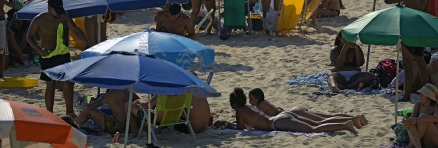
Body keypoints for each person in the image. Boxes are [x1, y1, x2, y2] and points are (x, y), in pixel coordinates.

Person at [26, 0, 90, 117]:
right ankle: (49, 113)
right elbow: (29, 36)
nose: (59, 13)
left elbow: (75, 29)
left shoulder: (64, 16)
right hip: (47, 55)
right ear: (49, 8)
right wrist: (39, 50)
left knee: (69, 82)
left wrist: (87, 43)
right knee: (50, 85)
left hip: (63, 53)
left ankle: (70, 112)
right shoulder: (39, 19)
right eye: (56, 10)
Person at [225, 87, 359, 134]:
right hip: (284, 114)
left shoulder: (240, 111)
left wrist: (225, 124)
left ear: (234, 104)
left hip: (277, 122)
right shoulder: (249, 107)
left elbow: (240, 128)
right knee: (318, 123)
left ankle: (344, 125)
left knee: (314, 129)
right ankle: (346, 122)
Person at [384, 0, 429, 102]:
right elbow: (426, 13)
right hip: (420, 30)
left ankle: (407, 95)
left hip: (409, 31)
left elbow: (388, 0)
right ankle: (426, 93)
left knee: (408, 65)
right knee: (421, 62)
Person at [248, 88, 367, 126]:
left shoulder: (262, 105)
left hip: (295, 113)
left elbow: (258, 120)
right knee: (327, 116)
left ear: (258, 98)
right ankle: (355, 118)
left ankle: (352, 120)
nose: (250, 101)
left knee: (323, 120)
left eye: (252, 99)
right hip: (295, 110)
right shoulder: (264, 103)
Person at [128, 91, 210, 135]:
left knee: (128, 105)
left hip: (160, 121)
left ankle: (135, 133)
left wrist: (139, 101)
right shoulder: (190, 93)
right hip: (176, 119)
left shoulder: (161, 92)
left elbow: (146, 105)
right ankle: (158, 130)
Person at [402, 84, 438, 148]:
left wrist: (416, 120)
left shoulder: (437, 107)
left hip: (433, 140)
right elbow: (412, 120)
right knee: (410, 122)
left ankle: (411, 146)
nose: (420, 96)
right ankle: (417, 146)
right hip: (419, 140)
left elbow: (436, 118)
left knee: (423, 117)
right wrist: (407, 122)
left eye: (422, 95)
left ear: (429, 97)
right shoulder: (418, 105)